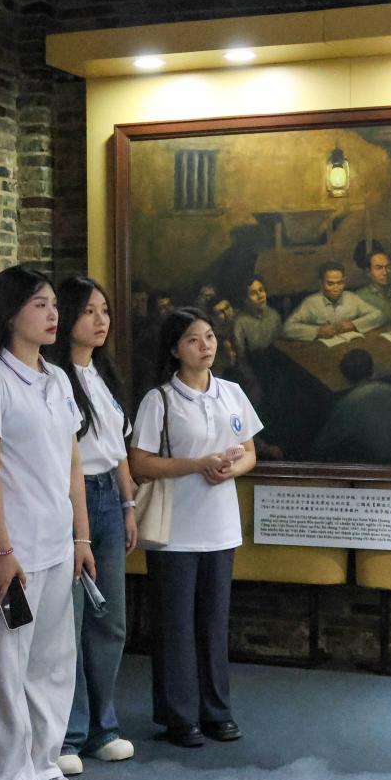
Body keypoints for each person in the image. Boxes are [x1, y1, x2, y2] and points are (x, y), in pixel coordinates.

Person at [0, 265, 95, 780]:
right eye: (40, 304)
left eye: (54, 305)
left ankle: (43, 767)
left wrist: (81, 535)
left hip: (57, 546)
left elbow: (72, 464)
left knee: (53, 665)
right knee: (6, 672)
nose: (53, 314)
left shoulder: (57, 379)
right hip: (12, 553)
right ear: (10, 311)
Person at [129, 306, 261, 748]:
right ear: (174, 349)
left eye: (209, 337)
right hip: (175, 531)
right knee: (175, 627)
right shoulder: (160, 399)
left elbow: (250, 451)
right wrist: (197, 464)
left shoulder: (231, 392)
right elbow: (140, 463)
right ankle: (179, 716)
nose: (205, 346)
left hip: (220, 526)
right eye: (192, 339)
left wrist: (231, 469)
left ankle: (216, 712)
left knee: (214, 624)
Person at [43, 276, 138, 778]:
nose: (100, 320)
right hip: (70, 499)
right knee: (71, 621)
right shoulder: (55, 377)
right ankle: (68, 732)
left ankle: (104, 726)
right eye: (88, 311)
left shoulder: (103, 374)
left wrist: (128, 504)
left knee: (110, 619)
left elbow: (118, 450)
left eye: (104, 310)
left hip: (108, 498)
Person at [310, 350, 391, 465]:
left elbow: (324, 443)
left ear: (346, 378)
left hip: (383, 465)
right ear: (372, 371)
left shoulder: (348, 404)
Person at [282, 260, 383, 341]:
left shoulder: (352, 298)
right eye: (330, 284)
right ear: (321, 283)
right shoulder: (311, 302)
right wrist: (317, 331)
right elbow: (287, 328)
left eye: (340, 283)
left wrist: (354, 325)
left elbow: (378, 315)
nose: (336, 288)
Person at [352, 241, 391, 330]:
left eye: (387, 267)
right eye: (379, 268)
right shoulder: (359, 297)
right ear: (368, 272)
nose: (385, 273)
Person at [231, 275, 281, 360]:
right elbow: (241, 357)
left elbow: (281, 344)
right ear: (245, 300)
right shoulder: (239, 323)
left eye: (261, 290)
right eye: (253, 293)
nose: (260, 296)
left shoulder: (274, 315)